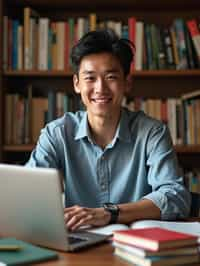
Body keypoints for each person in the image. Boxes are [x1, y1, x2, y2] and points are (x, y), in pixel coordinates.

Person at [26, 29, 191, 231]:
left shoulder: (152, 133)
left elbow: (175, 195)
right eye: (90, 78)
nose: (100, 88)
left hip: (139, 247)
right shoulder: (56, 134)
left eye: (111, 77)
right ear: (77, 84)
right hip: (78, 245)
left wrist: (109, 213)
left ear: (127, 82)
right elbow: (28, 192)